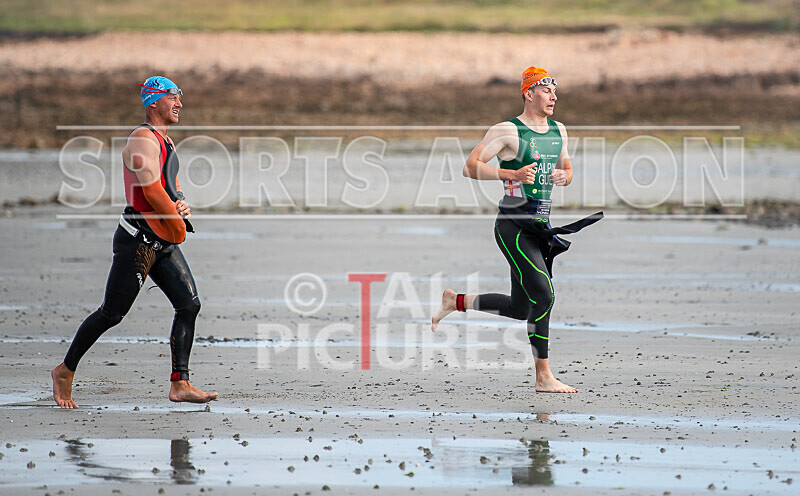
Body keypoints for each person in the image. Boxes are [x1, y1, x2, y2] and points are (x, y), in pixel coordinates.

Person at [431, 66, 602, 393]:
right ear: (528, 93)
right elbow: (470, 167)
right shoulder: (507, 131)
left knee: (520, 307)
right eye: (546, 90)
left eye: (555, 91)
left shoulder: (559, 130)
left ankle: (455, 301)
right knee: (545, 295)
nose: (554, 96)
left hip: (540, 226)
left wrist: (565, 176)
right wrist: (510, 175)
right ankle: (543, 377)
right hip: (512, 224)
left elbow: (566, 167)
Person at [51, 76, 218, 408]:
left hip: (161, 237)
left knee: (189, 305)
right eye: (173, 96)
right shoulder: (142, 139)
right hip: (137, 240)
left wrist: (181, 204)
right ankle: (64, 370)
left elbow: (170, 186)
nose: (180, 103)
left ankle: (180, 383)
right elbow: (151, 190)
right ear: (153, 101)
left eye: (180, 96)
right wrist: (176, 223)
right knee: (112, 313)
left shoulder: (165, 140)